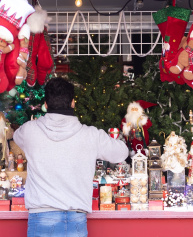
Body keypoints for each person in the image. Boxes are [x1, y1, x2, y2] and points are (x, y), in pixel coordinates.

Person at [13, 77, 128, 237]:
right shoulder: (91, 135)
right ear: (73, 102)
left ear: (45, 105)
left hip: (41, 218)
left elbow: (16, 136)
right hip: (76, 219)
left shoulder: (29, 131)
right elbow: (121, 152)